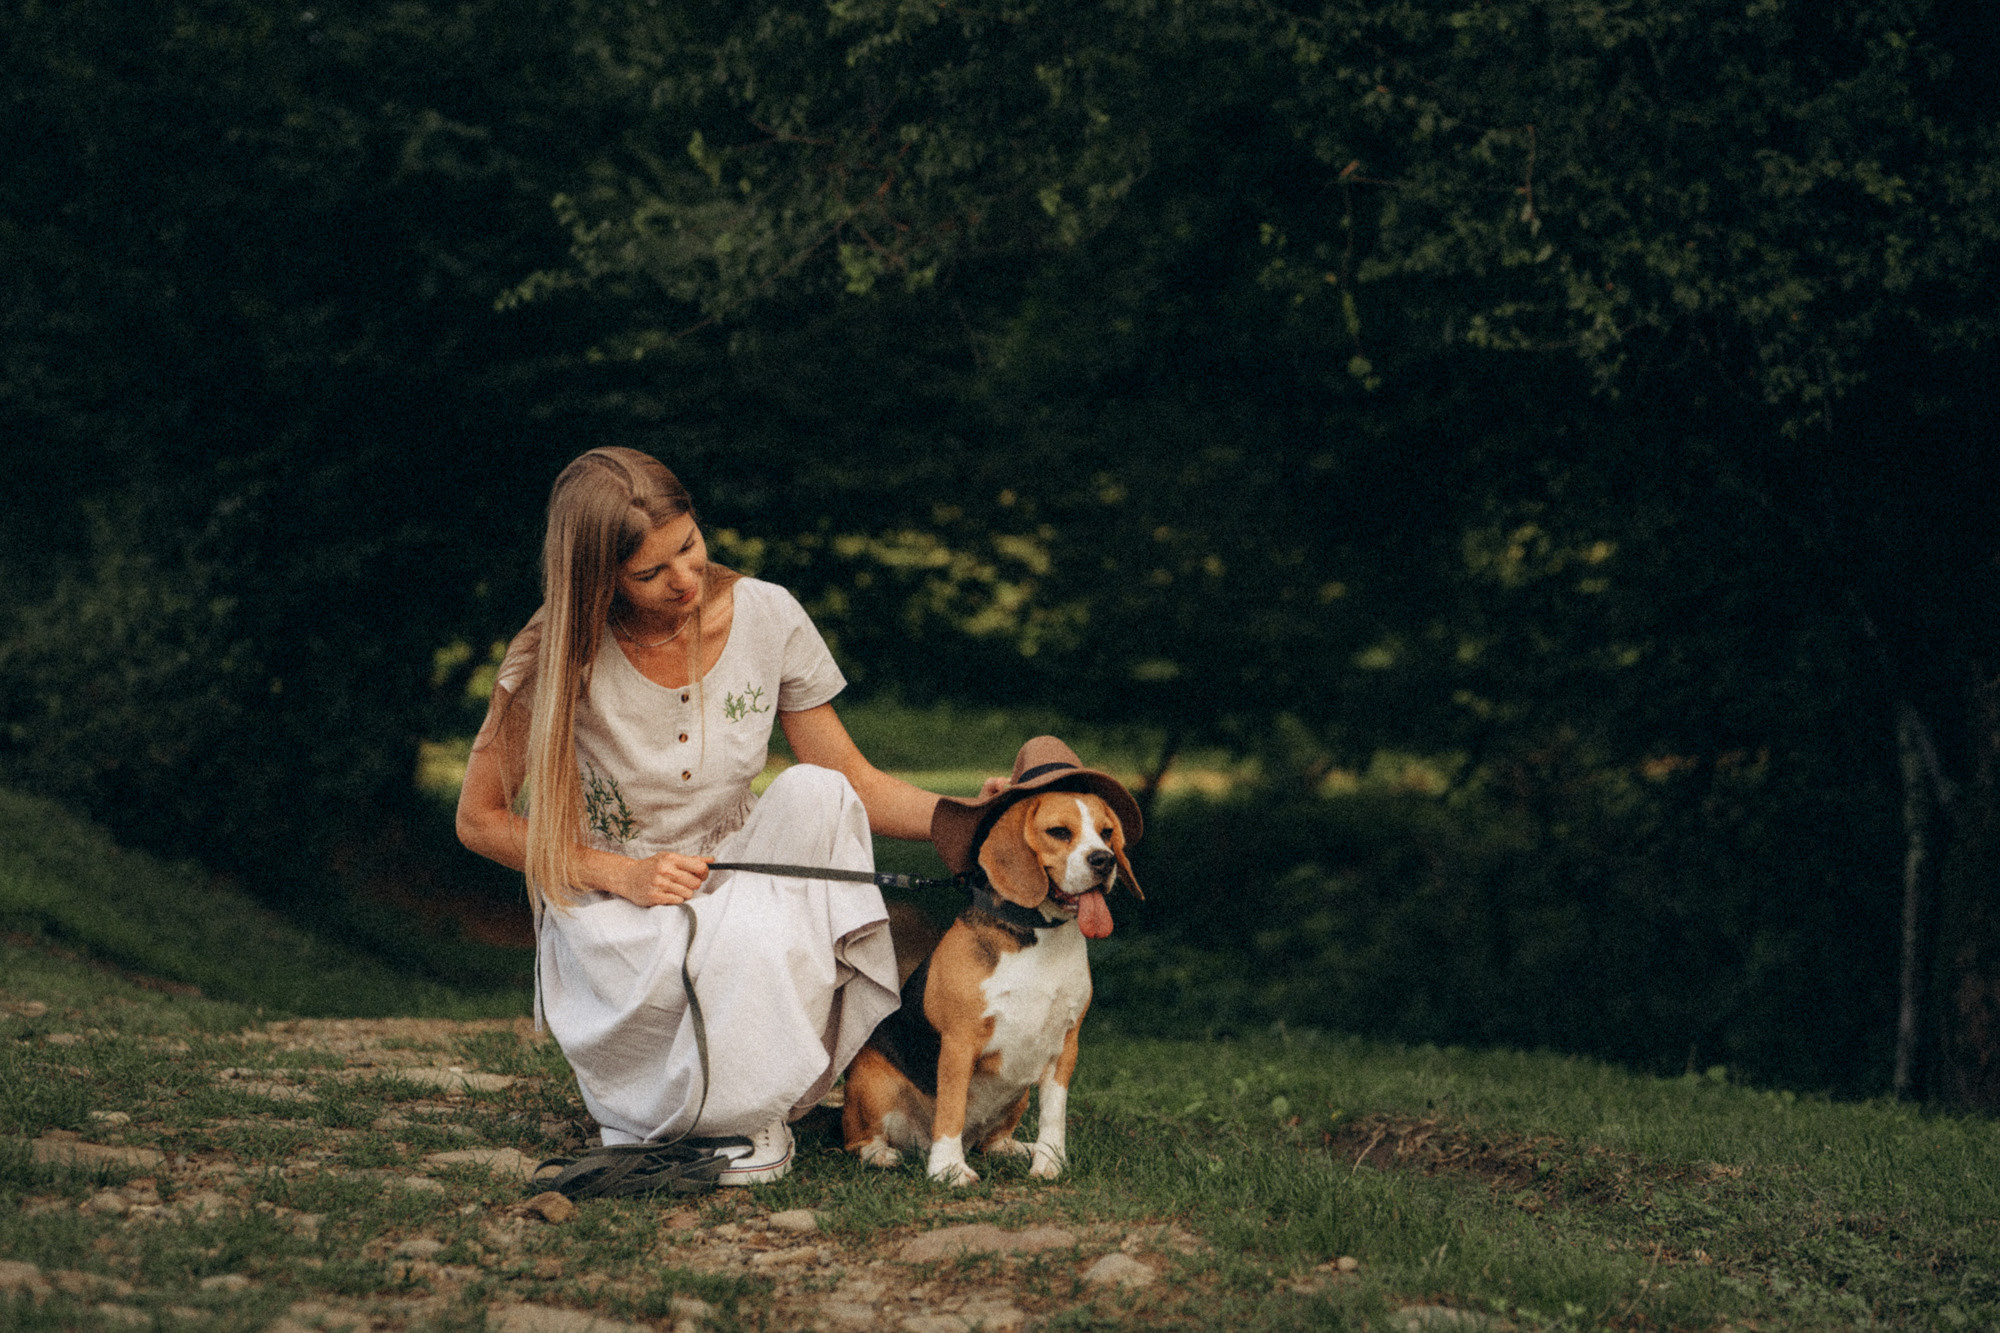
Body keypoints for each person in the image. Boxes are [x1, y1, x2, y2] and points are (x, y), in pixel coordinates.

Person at [456, 447, 956, 1184]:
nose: (684, 579)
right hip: (618, 898)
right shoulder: (556, 650)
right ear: (600, 578)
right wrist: (618, 873)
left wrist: (971, 821)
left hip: (737, 874)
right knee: (725, 941)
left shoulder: (767, 612)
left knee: (816, 795)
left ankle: (751, 1110)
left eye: (689, 546)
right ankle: (708, 1119)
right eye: (650, 573)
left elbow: (854, 779)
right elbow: (480, 818)